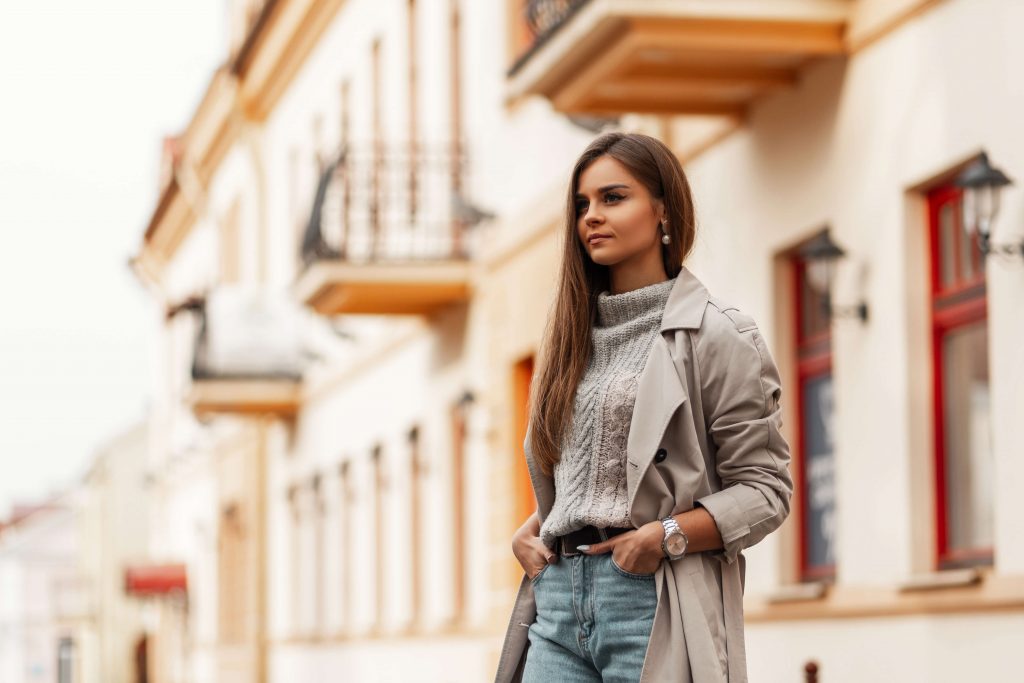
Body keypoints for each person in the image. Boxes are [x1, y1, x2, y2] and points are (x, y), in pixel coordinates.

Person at [493, 132, 794, 683]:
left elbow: (766, 492)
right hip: (557, 597)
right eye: (582, 205)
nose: (591, 217)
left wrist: (665, 536)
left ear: (662, 210)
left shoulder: (718, 335)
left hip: (651, 596)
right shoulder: (566, 342)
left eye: (613, 198)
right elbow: (597, 474)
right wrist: (535, 526)